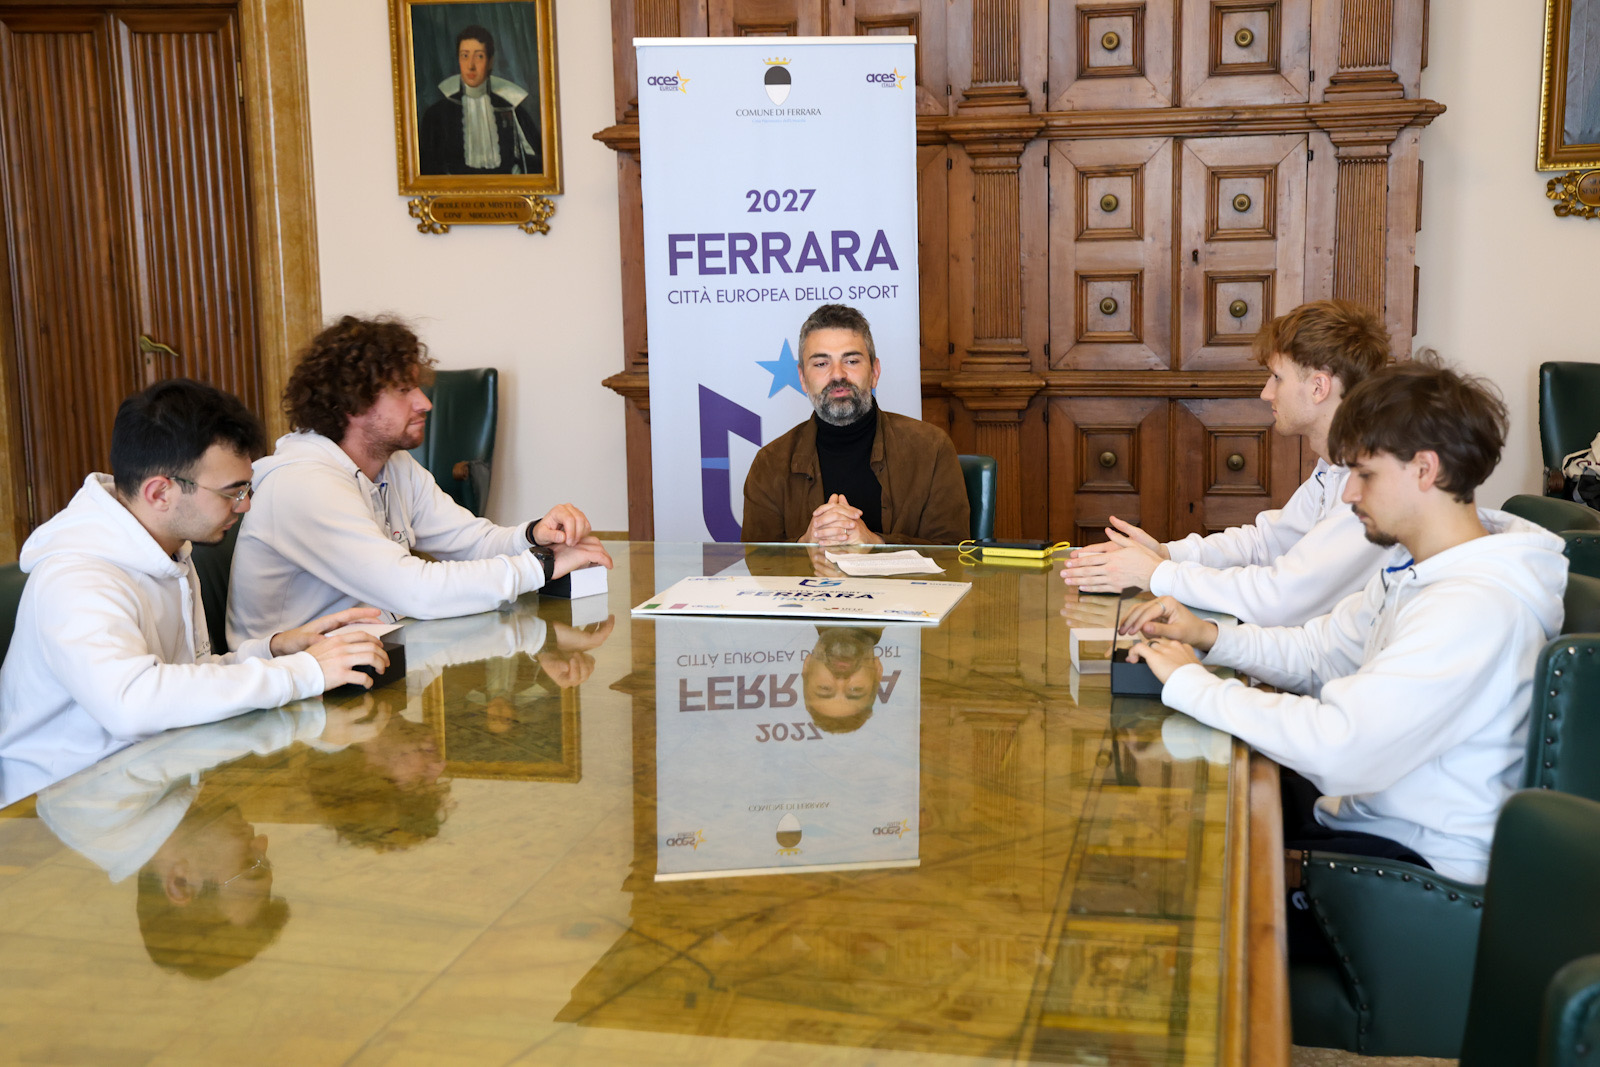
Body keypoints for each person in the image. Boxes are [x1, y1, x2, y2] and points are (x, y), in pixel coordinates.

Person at [1118, 359, 1567, 902]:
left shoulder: (1475, 607)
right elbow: (1320, 652)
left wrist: (1194, 685)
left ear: (1425, 470)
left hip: (1413, 875)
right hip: (1367, 819)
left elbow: (1339, 745)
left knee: (1172, 870)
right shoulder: (1416, 562)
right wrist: (1209, 636)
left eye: (1365, 474)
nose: (1349, 493)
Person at [0, 381, 390, 806]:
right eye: (232, 492)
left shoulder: (168, 548)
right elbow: (134, 703)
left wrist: (274, 651)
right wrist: (301, 673)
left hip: (148, 780)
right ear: (160, 493)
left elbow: (185, 677)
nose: (245, 505)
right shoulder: (77, 578)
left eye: (246, 489)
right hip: (59, 811)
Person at [226, 315, 612, 646]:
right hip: (294, 688)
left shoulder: (395, 465)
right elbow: (416, 592)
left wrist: (534, 536)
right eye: (402, 390)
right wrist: (540, 566)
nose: (425, 402)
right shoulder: (303, 484)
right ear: (351, 403)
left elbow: (470, 542)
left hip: (372, 658)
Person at [1061, 300, 1393, 626]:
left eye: (1277, 377)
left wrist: (1157, 574)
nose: (1266, 393)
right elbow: (1264, 544)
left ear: (1319, 387)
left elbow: (1279, 599)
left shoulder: (1370, 492)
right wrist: (1166, 553)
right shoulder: (1334, 469)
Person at [742, 304, 969, 545]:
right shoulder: (770, 463)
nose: (837, 374)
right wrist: (804, 545)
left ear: (875, 372)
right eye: (821, 364)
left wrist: (875, 544)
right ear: (802, 379)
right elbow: (755, 560)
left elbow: (954, 554)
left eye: (851, 361)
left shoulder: (932, 449)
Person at [419, 24, 542, 176]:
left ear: (490, 62)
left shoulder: (511, 110)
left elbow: (537, 164)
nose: (471, 66)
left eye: (479, 56)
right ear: (458, 60)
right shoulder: (436, 115)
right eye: (465, 56)